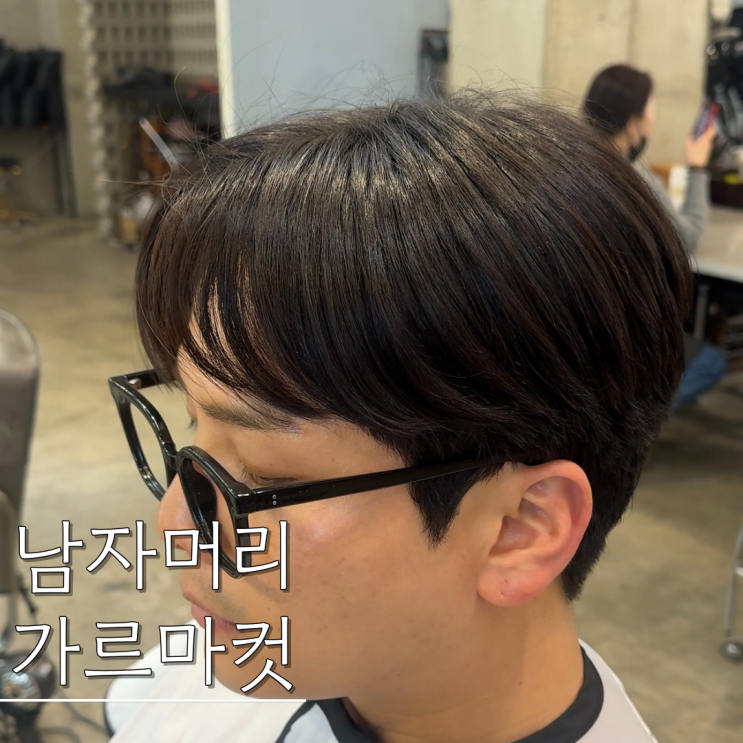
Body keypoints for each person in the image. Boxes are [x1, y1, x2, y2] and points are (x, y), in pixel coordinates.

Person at [106, 94, 691, 743]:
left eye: (261, 476)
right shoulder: (219, 673)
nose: (173, 525)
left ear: (520, 529)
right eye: (194, 432)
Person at [584, 63, 726, 410]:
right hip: (620, 337)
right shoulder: (636, 182)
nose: (655, 112)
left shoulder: (570, 165)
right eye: (651, 104)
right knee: (710, 362)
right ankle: (624, 417)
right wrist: (697, 166)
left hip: (578, 328)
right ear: (633, 122)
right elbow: (685, 241)